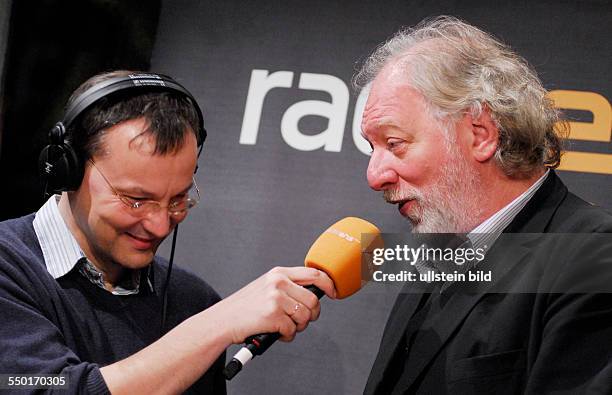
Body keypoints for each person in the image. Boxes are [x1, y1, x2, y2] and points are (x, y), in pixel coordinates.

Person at [0, 70, 336, 394]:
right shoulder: (8, 267)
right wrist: (215, 325)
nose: (160, 225)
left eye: (178, 199)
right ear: (66, 171)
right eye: (135, 200)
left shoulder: (193, 300)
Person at [354, 16, 612, 394]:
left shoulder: (593, 256)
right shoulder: (440, 247)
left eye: (394, 144)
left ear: (481, 134)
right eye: (371, 148)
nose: (375, 175)